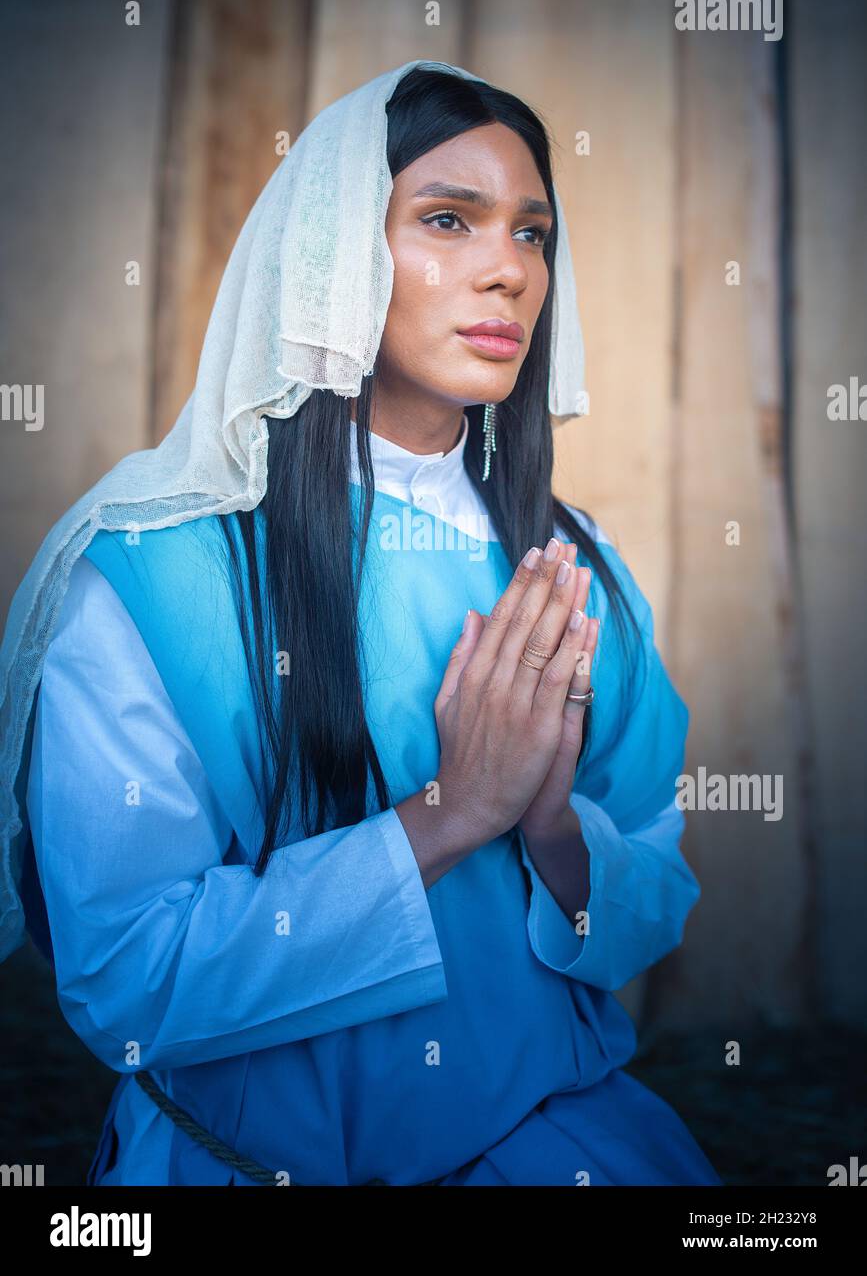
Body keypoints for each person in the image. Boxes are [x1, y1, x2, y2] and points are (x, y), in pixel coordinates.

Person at [2, 60, 721, 1186]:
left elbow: (658, 883)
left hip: (542, 1140)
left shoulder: (574, 568)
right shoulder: (149, 570)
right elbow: (129, 977)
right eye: (449, 220)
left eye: (534, 235)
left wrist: (550, 829)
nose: (510, 272)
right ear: (331, 255)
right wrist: (445, 815)